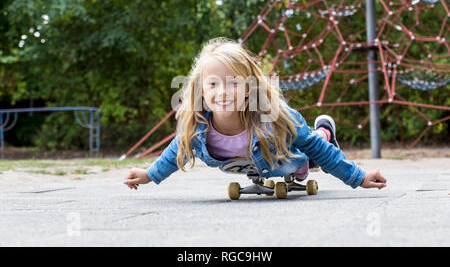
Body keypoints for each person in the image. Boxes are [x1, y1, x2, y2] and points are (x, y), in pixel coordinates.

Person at [124, 37, 387, 191]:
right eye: (213, 84)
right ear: (201, 90)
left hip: (286, 156)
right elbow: (177, 151)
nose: (223, 92)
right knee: (300, 156)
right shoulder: (197, 126)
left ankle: (325, 131)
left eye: (234, 83)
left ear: (250, 88)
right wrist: (148, 175)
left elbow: (314, 147)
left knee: (308, 150)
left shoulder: (276, 116)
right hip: (259, 163)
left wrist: (359, 178)